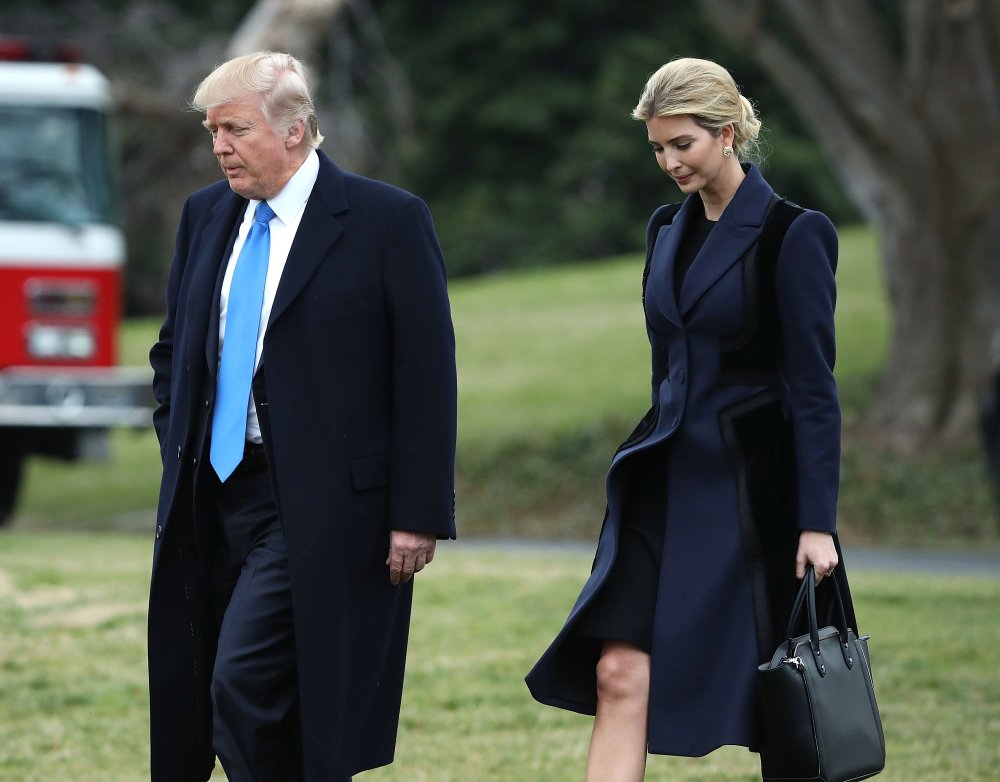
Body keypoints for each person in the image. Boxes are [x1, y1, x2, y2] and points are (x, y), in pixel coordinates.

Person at [525, 57, 859, 780]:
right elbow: (666, 363)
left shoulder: (792, 235)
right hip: (661, 480)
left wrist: (816, 519)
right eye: (657, 147)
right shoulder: (663, 231)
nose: (669, 161)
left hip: (752, 492)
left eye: (683, 144)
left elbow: (813, 389)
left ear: (728, 133)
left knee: (781, 699)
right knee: (617, 672)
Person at [147, 51, 457, 782]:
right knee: (226, 691)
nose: (218, 146)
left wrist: (417, 511)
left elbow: (425, 374)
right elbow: (175, 352)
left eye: (234, 128)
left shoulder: (387, 219)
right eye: (212, 130)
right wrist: (179, 445)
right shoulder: (205, 214)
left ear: (295, 130)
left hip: (319, 506)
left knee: (246, 683)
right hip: (212, 495)